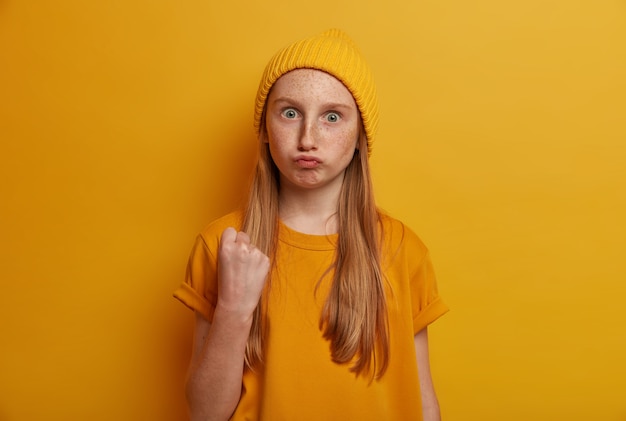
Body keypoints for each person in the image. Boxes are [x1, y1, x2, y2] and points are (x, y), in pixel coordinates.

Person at [174, 28, 449, 421]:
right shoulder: (224, 244)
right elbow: (205, 414)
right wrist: (234, 309)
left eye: (332, 117)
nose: (308, 138)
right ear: (266, 130)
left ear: (359, 138)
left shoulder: (403, 250)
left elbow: (422, 402)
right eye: (290, 113)